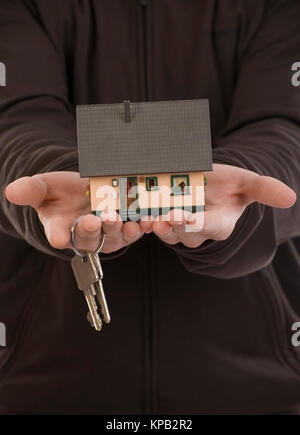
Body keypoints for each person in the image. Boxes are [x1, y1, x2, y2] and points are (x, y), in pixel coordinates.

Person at [0, 0, 300, 415]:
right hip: (45, 383)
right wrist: (57, 175)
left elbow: (286, 126)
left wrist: (246, 189)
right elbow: (16, 118)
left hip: (255, 385)